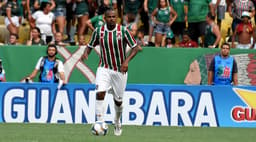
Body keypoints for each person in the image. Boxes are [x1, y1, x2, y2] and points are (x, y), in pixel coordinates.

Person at [82, 8, 140, 136]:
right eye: (109, 17)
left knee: (118, 101)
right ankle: (100, 121)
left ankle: (117, 121)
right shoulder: (99, 31)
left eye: (114, 17)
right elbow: (90, 45)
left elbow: (136, 48)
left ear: (117, 18)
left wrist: (126, 62)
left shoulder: (123, 31)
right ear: (105, 18)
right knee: (100, 93)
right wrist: (86, 53)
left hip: (119, 70)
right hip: (104, 67)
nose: (112, 19)